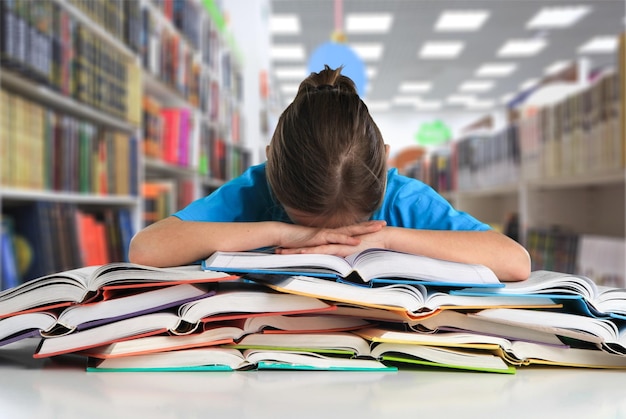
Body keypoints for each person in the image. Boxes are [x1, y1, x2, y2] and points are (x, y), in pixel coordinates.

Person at [129, 66, 530, 281]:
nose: (332, 241)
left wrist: (386, 238)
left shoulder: (404, 198)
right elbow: (147, 249)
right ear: (272, 166)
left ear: (385, 166)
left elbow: (515, 262)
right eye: (307, 223)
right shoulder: (255, 189)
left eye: (356, 226)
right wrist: (282, 232)